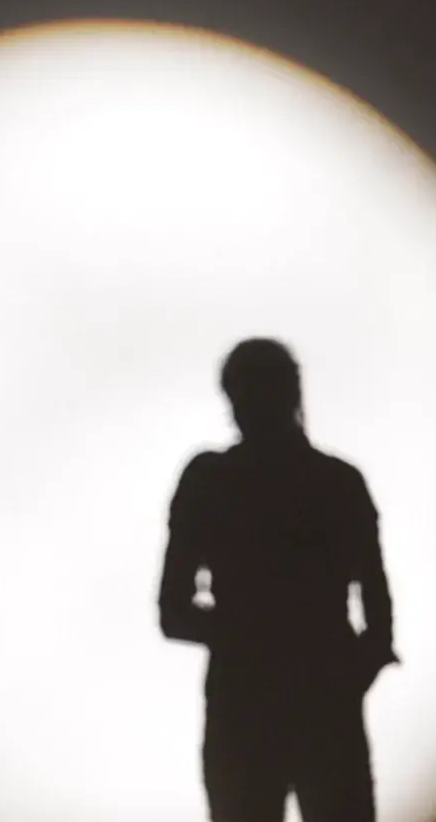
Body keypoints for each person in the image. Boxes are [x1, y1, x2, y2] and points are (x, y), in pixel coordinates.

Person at [157, 338, 400, 822]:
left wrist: (248, 635)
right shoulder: (336, 482)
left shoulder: (213, 481)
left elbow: (174, 612)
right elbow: (378, 614)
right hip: (302, 703)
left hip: (255, 704)